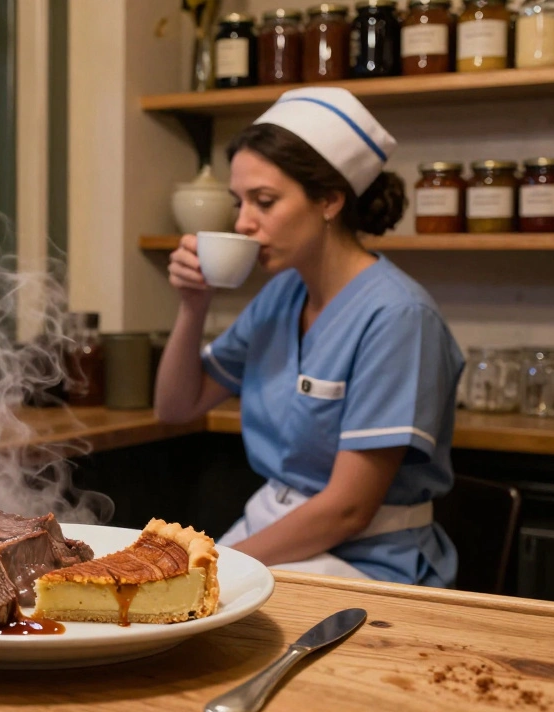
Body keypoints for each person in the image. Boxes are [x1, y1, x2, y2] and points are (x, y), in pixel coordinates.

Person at [154, 87, 463, 587]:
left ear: (329, 200)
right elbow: (176, 406)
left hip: (367, 562)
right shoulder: (282, 296)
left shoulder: (400, 317)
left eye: (265, 201)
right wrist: (193, 306)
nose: (242, 223)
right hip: (275, 537)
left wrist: (218, 567)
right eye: (239, 202)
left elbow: (348, 510)